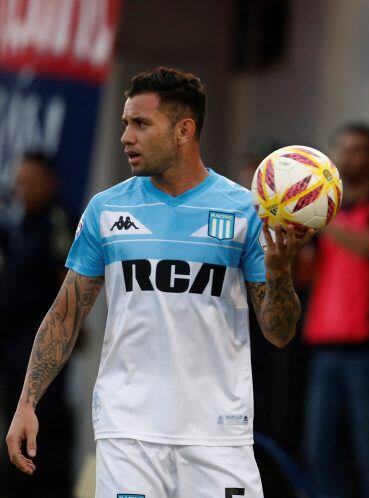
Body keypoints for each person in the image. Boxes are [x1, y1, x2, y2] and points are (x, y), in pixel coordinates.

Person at [5, 67, 309, 498]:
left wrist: (280, 273)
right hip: (128, 430)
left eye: (141, 124)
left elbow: (279, 333)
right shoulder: (105, 210)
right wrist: (27, 401)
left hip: (218, 435)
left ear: (184, 130)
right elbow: (64, 316)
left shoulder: (246, 211)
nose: (127, 136)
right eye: (125, 123)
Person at [303, 123, 369, 498]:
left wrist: (318, 217)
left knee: (367, 452)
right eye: (342, 148)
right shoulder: (329, 214)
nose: (347, 157)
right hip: (325, 346)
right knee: (320, 450)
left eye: (357, 149)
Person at [0, 152, 74, 498]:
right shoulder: (19, 224)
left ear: (49, 182)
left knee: (45, 436)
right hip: (12, 350)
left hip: (42, 350)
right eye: (20, 181)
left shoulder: (57, 222)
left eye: (30, 182)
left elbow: (68, 286)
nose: (21, 189)